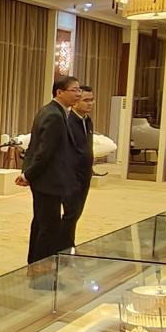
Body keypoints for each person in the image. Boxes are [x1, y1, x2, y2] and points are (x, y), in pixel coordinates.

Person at [16, 76, 84, 263]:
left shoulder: (55, 111)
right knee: (49, 228)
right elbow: (44, 151)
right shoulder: (54, 115)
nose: (78, 94)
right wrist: (28, 175)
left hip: (48, 180)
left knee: (41, 223)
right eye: (74, 90)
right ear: (59, 92)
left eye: (79, 90)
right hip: (49, 181)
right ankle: (42, 269)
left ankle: (34, 264)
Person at [60, 85, 95, 251]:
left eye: (92, 100)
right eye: (86, 100)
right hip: (71, 176)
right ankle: (64, 246)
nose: (90, 103)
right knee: (71, 213)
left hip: (84, 175)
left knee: (77, 212)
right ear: (75, 102)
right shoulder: (68, 121)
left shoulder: (87, 121)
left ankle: (67, 244)